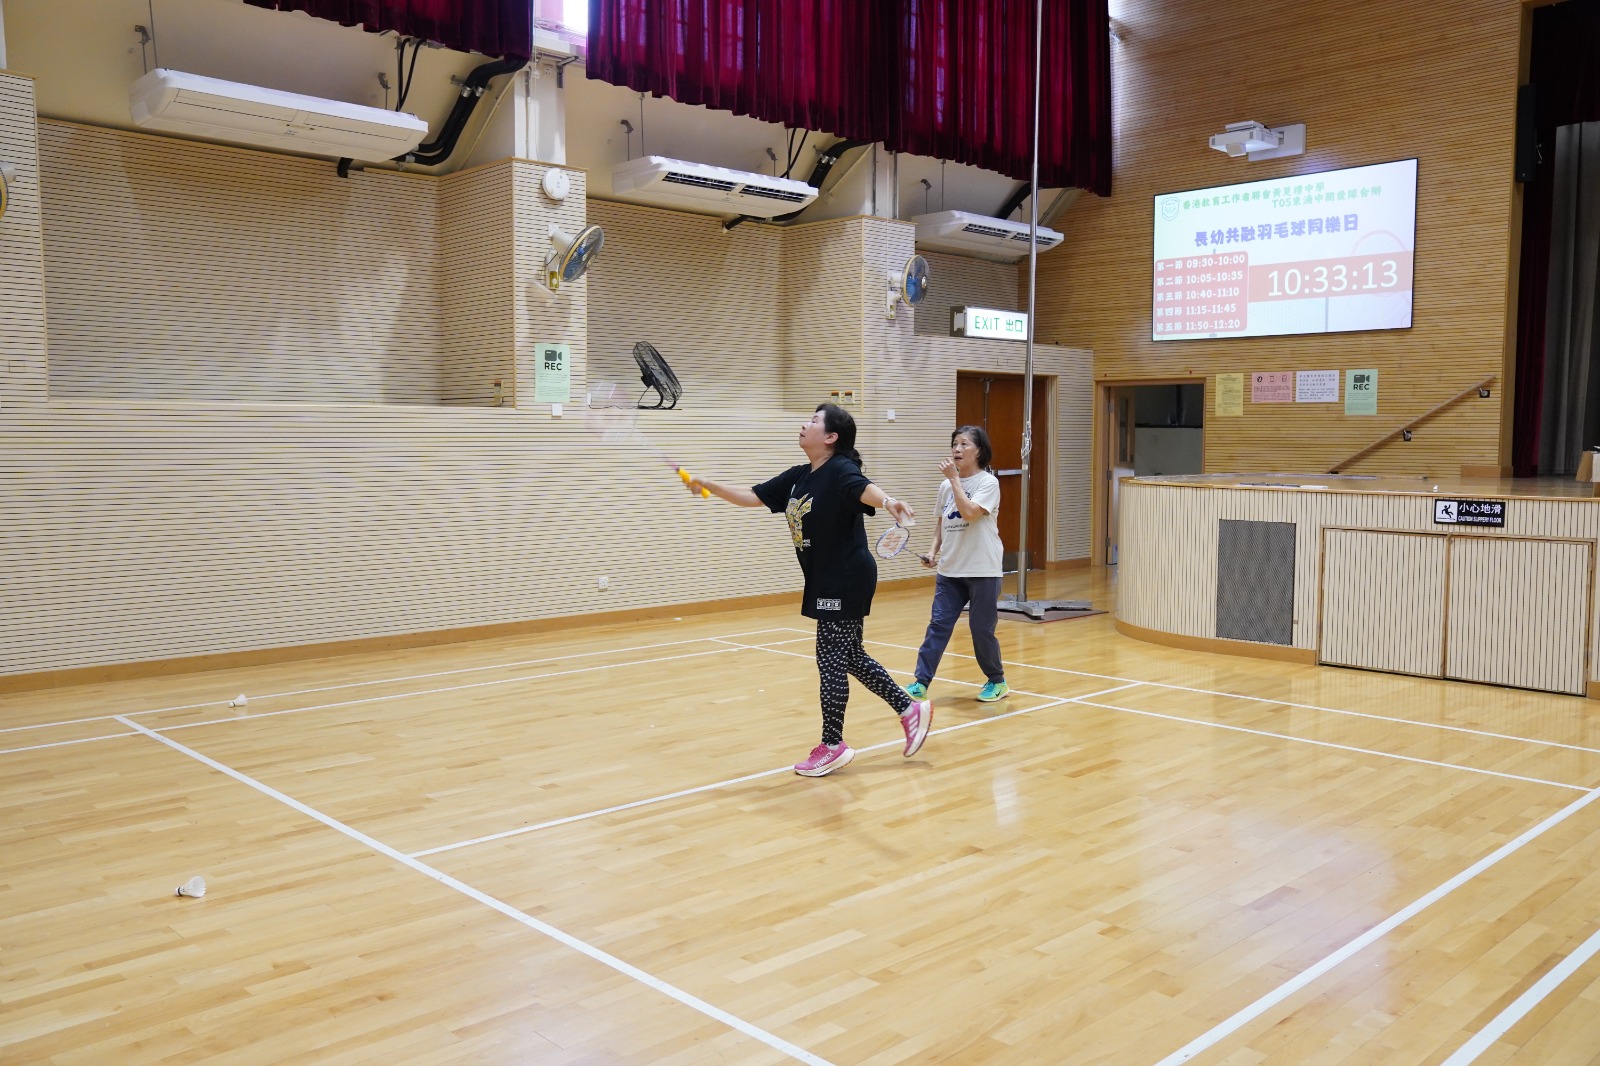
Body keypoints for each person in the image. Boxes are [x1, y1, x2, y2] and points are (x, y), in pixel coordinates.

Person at [686, 403, 933, 777]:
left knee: (830, 658)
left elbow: (863, 488)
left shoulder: (840, 469)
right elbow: (753, 496)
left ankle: (833, 745)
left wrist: (887, 502)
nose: (805, 424)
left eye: (814, 421)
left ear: (831, 437)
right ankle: (909, 708)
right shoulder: (800, 476)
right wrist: (709, 486)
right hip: (826, 576)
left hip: (845, 576)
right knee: (849, 655)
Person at [906, 425, 1009, 703]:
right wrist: (933, 552)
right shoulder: (945, 487)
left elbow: (970, 513)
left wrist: (954, 480)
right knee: (938, 626)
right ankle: (920, 682)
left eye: (964, 444)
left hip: (983, 569)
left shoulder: (988, 483)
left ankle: (997, 680)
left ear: (979, 451)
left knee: (981, 629)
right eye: (954, 444)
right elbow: (942, 524)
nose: (957, 449)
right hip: (950, 570)